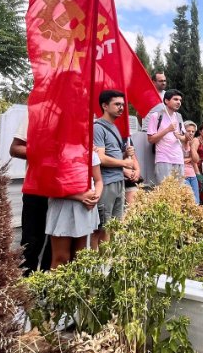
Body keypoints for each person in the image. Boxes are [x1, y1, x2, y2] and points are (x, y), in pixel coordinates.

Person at [45, 150, 102, 268]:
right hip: (62, 206)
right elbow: (48, 185)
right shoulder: (55, 152)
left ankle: (75, 286)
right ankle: (57, 286)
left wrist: (96, 196)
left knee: (79, 257)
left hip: (85, 207)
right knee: (61, 258)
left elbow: (98, 180)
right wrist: (80, 196)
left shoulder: (90, 152)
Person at [9, 113, 50, 274]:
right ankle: (26, 287)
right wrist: (47, 153)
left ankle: (49, 288)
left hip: (66, 192)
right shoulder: (36, 114)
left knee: (56, 242)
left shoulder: (77, 117)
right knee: (32, 242)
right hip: (37, 188)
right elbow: (15, 148)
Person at [92, 90, 131, 245]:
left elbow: (112, 156)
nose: (121, 107)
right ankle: (99, 266)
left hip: (118, 180)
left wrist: (124, 153)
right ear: (105, 106)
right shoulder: (98, 127)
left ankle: (110, 263)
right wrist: (124, 163)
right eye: (117, 104)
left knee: (115, 226)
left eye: (122, 104)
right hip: (106, 182)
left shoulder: (114, 127)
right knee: (102, 228)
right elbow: (99, 158)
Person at [146, 89, 186, 184]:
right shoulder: (156, 116)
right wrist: (167, 130)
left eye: (180, 100)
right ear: (166, 101)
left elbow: (184, 138)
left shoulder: (179, 117)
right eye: (175, 99)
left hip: (179, 159)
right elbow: (150, 139)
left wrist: (182, 137)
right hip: (164, 159)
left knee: (179, 192)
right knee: (166, 191)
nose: (178, 102)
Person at [182, 121, 201, 203]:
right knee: (190, 201)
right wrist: (190, 159)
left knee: (197, 202)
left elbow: (196, 159)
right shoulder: (179, 142)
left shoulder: (192, 143)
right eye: (188, 131)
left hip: (192, 175)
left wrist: (192, 146)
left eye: (193, 131)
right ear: (183, 131)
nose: (191, 133)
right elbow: (176, 160)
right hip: (182, 175)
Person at [122, 135, 141, 206]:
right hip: (114, 176)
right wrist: (123, 170)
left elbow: (133, 157)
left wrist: (137, 171)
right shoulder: (103, 131)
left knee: (133, 207)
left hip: (129, 179)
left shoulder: (126, 137)